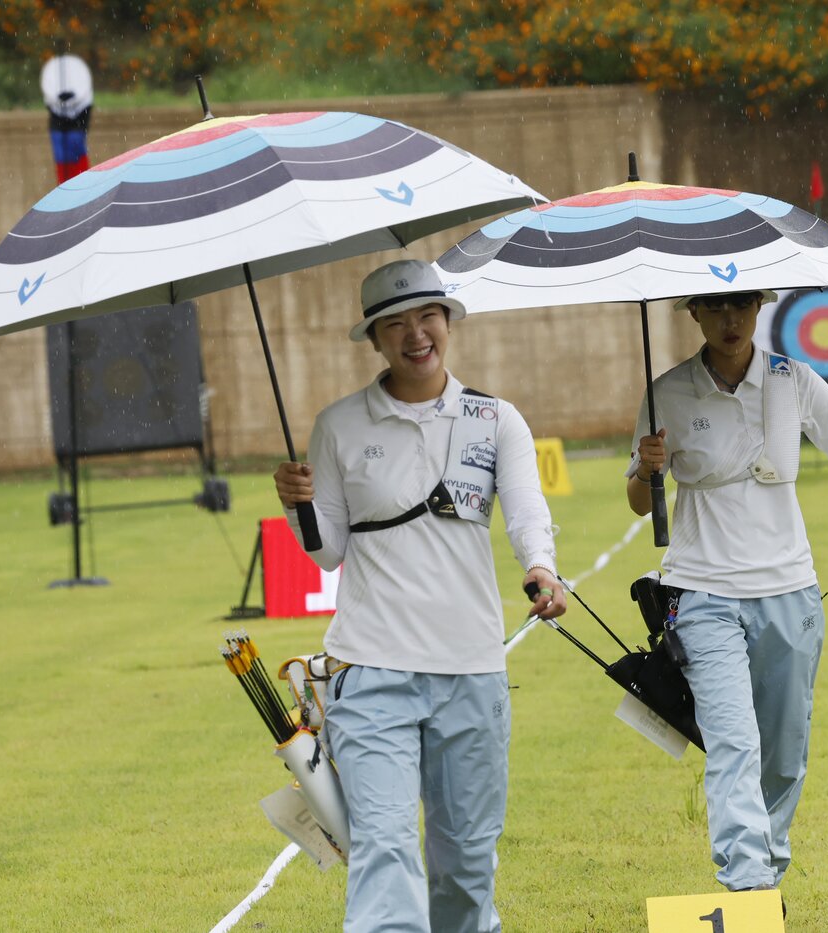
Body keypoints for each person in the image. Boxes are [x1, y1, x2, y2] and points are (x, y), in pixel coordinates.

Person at [273, 258, 565, 933]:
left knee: (464, 862)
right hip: (370, 667)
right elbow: (328, 550)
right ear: (374, 338)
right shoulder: (339, 425)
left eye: (427, 316)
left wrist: (541, 569)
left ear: (449, 321)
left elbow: (525, 513)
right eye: (394, 324)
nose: (415, 334)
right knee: (384, 846)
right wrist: (299, 506)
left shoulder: (496, 419)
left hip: (470, 668)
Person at [625, 288, 828, 894]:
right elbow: (639, 502)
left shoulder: (797, 381)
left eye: (741, 304)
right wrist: (646, 467)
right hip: (702, 592)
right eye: (714, 306)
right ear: (694, 314)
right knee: (734, 742)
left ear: (761, 307)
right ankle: (750, 889)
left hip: (790, 593)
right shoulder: (667, 392)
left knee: (784, 755)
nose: (730, 319)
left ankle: (768, 864)